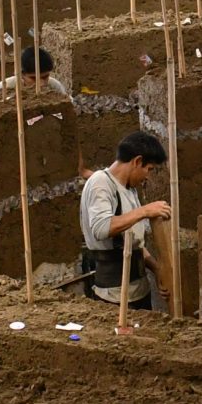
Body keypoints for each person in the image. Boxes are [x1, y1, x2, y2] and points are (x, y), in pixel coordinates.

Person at [79, 130, 170, 306]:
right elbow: (101, 228)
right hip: (115, 296)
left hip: (137, 291)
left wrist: (157, 269)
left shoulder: (129, 190)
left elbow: (132, 242)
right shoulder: (101, 183)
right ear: (137, 161)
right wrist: (144, 211)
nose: (147, 177)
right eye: (149, 169)